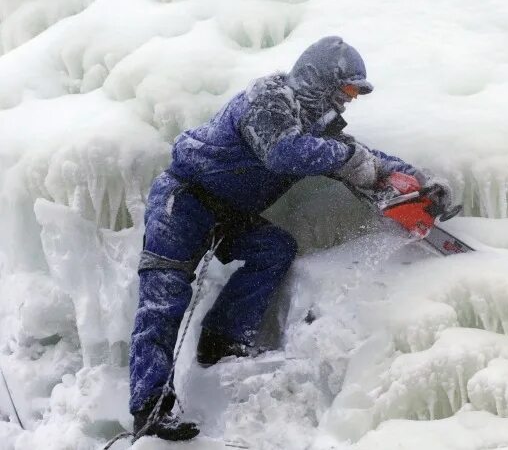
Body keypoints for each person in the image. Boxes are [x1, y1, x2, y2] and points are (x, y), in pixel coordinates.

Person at [128, 36, 454, 441]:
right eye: (347, 88)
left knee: (274, 248)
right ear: (320, 78)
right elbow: (283, 153)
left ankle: (222, 339)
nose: (350, 99)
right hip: (184, 201)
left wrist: (418, 183)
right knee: (164, 296)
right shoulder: (268, 98)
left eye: (354, 92)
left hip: (231, 213)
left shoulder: (319, 126)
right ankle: (150, 408)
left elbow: (359, 153)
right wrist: (350, 162)